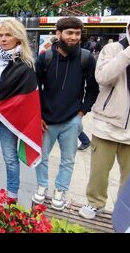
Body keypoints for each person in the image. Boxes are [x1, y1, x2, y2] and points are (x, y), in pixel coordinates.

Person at [32, 17, 99, 211]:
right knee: (41, 157)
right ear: (58, 34)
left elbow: (93, 89)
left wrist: (82, 112)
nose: (74, 37)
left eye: (77, 33)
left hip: (72, 120)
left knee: (68, 160)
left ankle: (60, 191)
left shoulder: (86, 58)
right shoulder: (45, 58)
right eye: (69, 33)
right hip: (46, 120)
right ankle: (42, 186)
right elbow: (35, 88)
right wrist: (38, 114)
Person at [79, 13, 130, 220]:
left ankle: (126, 213)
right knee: (99, 171)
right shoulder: (113, 49)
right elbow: (102, 77)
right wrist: (129, 52)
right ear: (129, 27)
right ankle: (95, 203)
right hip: (107, 123)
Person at [0, 19, 40, 201]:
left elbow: (23, 99)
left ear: (18, 37)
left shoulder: (25, 65)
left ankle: (12, 193)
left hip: (7, 120)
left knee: (10, 158)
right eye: (0, 35)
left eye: (8, 35)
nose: (3, 39)